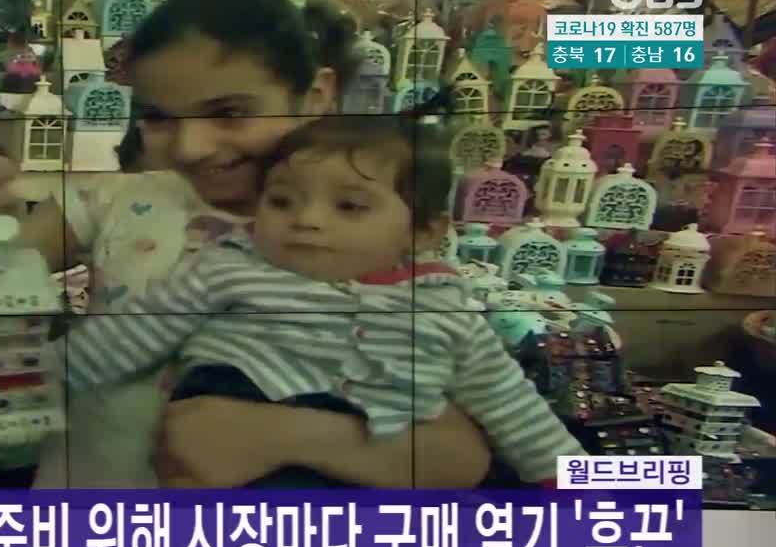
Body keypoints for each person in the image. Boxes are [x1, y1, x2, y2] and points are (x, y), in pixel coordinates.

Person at [0, 0, 492, 490]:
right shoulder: (118, 202)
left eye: (230, 113)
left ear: (315, 95)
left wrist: (283, 435)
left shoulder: (371, 243)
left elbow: (460, 455)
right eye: (159, 118)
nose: (194, 147)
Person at [57, 115, 585, 486]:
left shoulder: (444, 308)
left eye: (349, 207)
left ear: (423, 231)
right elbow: (125, 338)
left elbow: (513, 407)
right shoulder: (227, 269)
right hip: (238, 428)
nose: (307, 219)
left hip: (377, 462)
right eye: (282, 200)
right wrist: (40, 379)